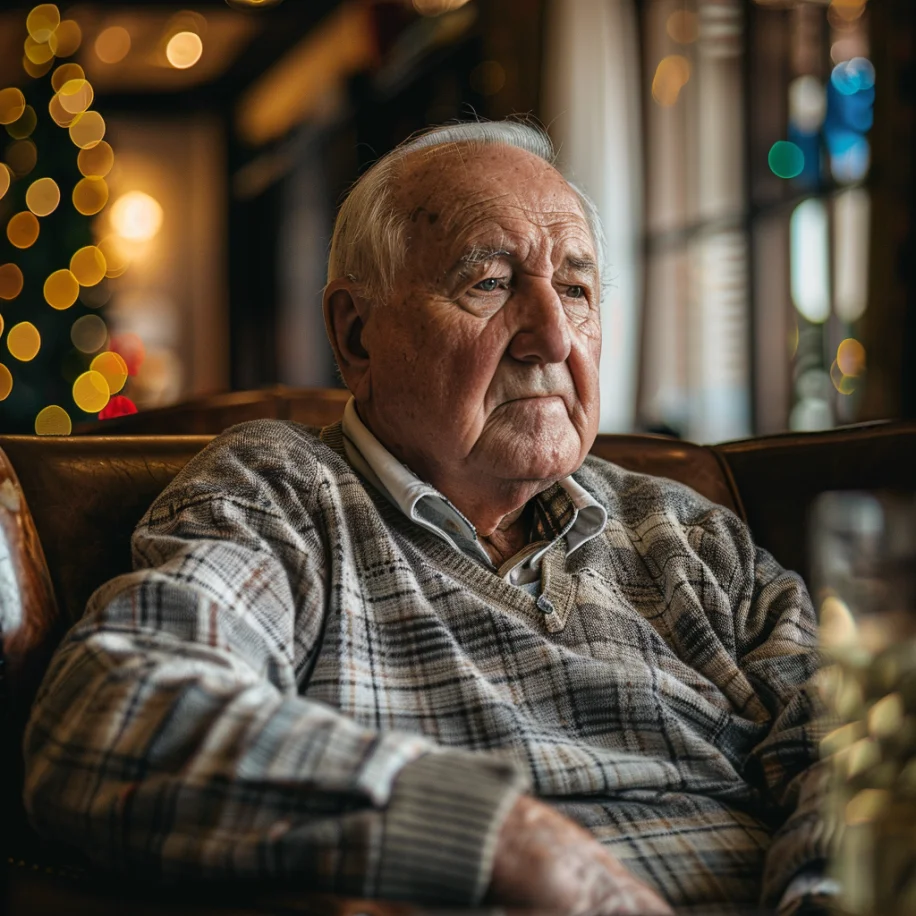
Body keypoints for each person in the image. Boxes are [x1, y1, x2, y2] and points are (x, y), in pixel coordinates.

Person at [23, 121, 832, 915]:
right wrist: (506, 841)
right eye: (490, 282)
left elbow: (855, 750)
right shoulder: (284, 495)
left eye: (577, 289)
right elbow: (113, 718)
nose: (552, 336)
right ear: (356, 333)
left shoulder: (683, 531)